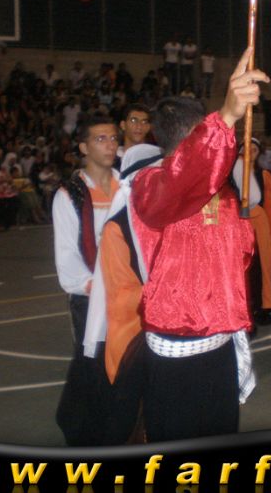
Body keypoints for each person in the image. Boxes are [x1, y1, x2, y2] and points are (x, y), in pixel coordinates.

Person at [130, 49, 268, 442]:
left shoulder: (222, 192)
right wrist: (226, 117)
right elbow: (181, 179)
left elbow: (242, 253)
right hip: (176, 349)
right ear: (195, 137)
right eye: (204, 130)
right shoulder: (149, 186)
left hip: (220, 342)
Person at [83, 142, 164, 445]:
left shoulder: (152, 219)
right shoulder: (120, 228)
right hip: (135, 337)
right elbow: (125, 294)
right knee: (135, 423)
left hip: (150, 334)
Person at [52, 115, 120, 446]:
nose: (110, 145)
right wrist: (95, 287)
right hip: (91, 297)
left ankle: (114, 426)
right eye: (100, 139)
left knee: (122, 364)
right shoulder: (70, 195)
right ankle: (81, 428)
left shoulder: (128, 187)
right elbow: (67, 255)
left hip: (127, 294)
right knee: (91, 362)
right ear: (83, 147)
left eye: (113, 138)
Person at [233, 138, 271, 326]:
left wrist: (265, 208)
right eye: (247, 147)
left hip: (258, 222)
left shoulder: (262, 174)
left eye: (254, 148)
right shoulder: (238, 169)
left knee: (263, 266)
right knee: (248, 268)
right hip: (243, 222)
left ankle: (268, 306)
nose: (251, 150)